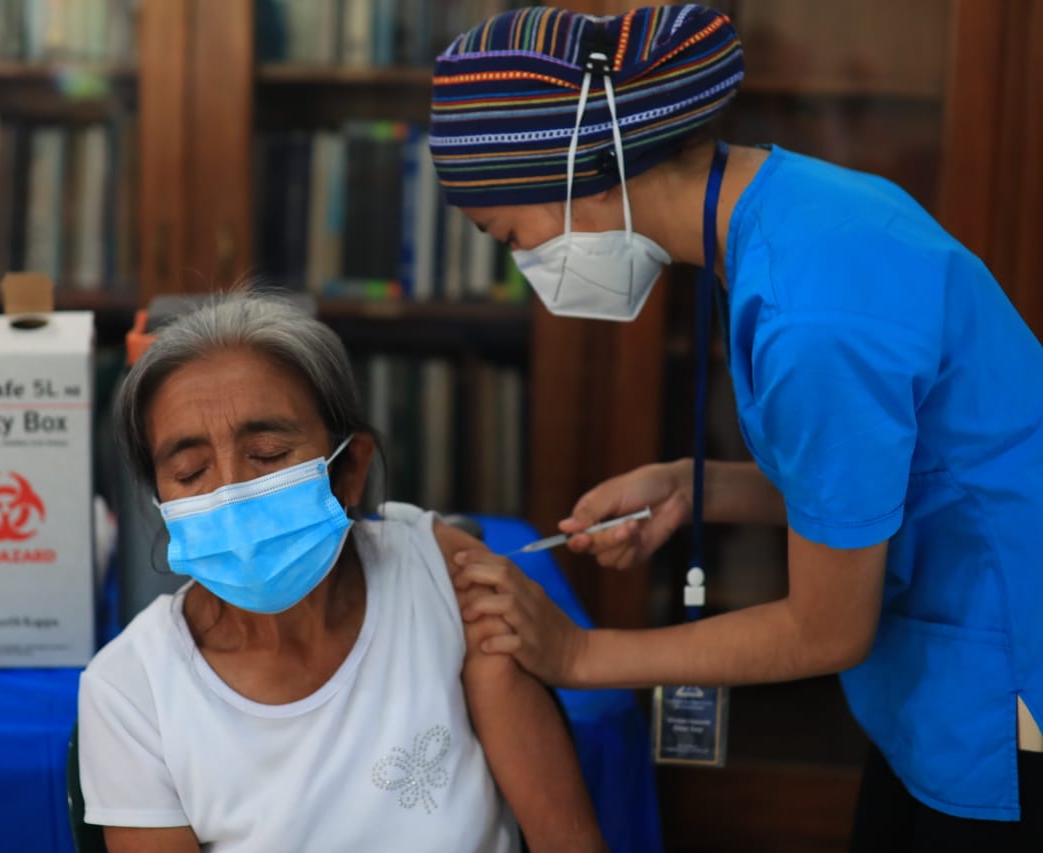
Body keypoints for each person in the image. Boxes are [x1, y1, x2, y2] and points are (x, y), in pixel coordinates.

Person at [428, 4, 1042, 849]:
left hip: (1003, 681)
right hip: (938, 668)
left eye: (509, 234)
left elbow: (827, 627)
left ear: (587, 171)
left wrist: (580, 656)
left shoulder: (810, 318)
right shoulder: (795, 203)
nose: (524, 260)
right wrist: (692, 485)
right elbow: (880, 476)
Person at [77, 291, 604, 852]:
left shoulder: (446, 580)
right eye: (190, 471)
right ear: (160, 500)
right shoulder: (132, 691)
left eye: (270, 454)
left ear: (350, 469)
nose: (230, 491)